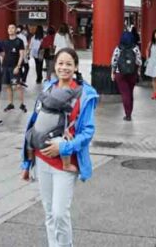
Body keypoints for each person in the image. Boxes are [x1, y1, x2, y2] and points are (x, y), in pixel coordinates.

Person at [20, 48, 99, 247]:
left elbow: (87, 132)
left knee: (59, 213)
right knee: (49, 212)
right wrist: (27, 162)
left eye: (69, 64)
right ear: (54, 65)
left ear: (76, 67)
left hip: (65, 161)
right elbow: (34, 124)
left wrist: (63, 147)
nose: (64, 67)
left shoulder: (85, 94)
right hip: (41, 158)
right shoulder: (48, 88)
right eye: (60, 63)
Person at [111, 33, 142, 120]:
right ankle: (130, 112)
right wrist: (138, 70)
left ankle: (127, 114)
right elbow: (139, 61)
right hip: (132, 73)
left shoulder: (118, 48)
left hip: (120, 73)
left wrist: (112, 72)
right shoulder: (135, 48)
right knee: (130, 93)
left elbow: (114, 61)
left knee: (125, 93)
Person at [2, 24, 28, 114]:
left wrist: (18, 66)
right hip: (6, 66)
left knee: (18, 86)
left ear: (16, 30)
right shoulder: (5, 41)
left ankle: (22, 104)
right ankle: (10, 104)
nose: (10, 29)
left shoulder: (19, 41)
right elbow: (3, 54)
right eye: (9, 28)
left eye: (12, 28)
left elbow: (21, 55)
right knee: (8, 85)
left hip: (15, 66)